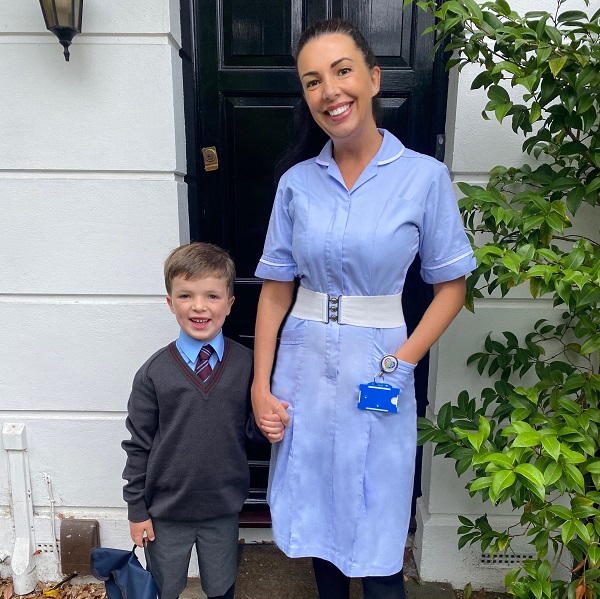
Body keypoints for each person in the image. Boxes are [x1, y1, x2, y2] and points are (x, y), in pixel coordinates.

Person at [251, 18, 476, 599]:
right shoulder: (297, 184)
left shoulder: (424, 177)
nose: (330, 90)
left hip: (379, 365)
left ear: (373, 79)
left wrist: (402, 362)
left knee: (375, 527)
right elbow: (276, 287)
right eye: (312, 81)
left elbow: (452, 284)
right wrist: (260, 384)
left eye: (342, 71)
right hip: (300, 366)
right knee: (319, 516)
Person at [122, 242, 283, 599]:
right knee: (164, 588)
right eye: (186, 296)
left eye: (212, 295)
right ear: (169, 302)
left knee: (222, 587)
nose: (199, 306)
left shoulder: (247, 366)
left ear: (229, 303)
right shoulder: (153, 373)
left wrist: (266, 426)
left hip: (222, 508)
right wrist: (137, 510)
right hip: (166, 513)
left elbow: (249, 430)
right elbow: (138, 445)